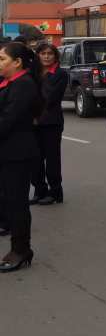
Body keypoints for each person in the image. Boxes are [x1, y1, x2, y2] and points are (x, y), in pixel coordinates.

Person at [0, 42, 43, 272]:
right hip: (7, 151)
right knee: (9, 200)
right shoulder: (9, 83)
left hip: (17, 152)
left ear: (17, 62)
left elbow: (8, 120)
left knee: (17, 203)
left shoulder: (24, 85)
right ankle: (17, 247)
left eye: (2, 59)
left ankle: (21, 249)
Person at [30, 43, 68, 206]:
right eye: (43, 53)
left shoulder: (60, 74)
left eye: (50, 54)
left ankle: (55, 192)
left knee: (52, 159)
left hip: (51, 122)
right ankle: (40, 190)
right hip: (32, 123)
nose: (46, 56)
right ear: (37, 55)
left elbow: (51, 97)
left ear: (55, 56)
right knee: (35, 158)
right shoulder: (33, 73)